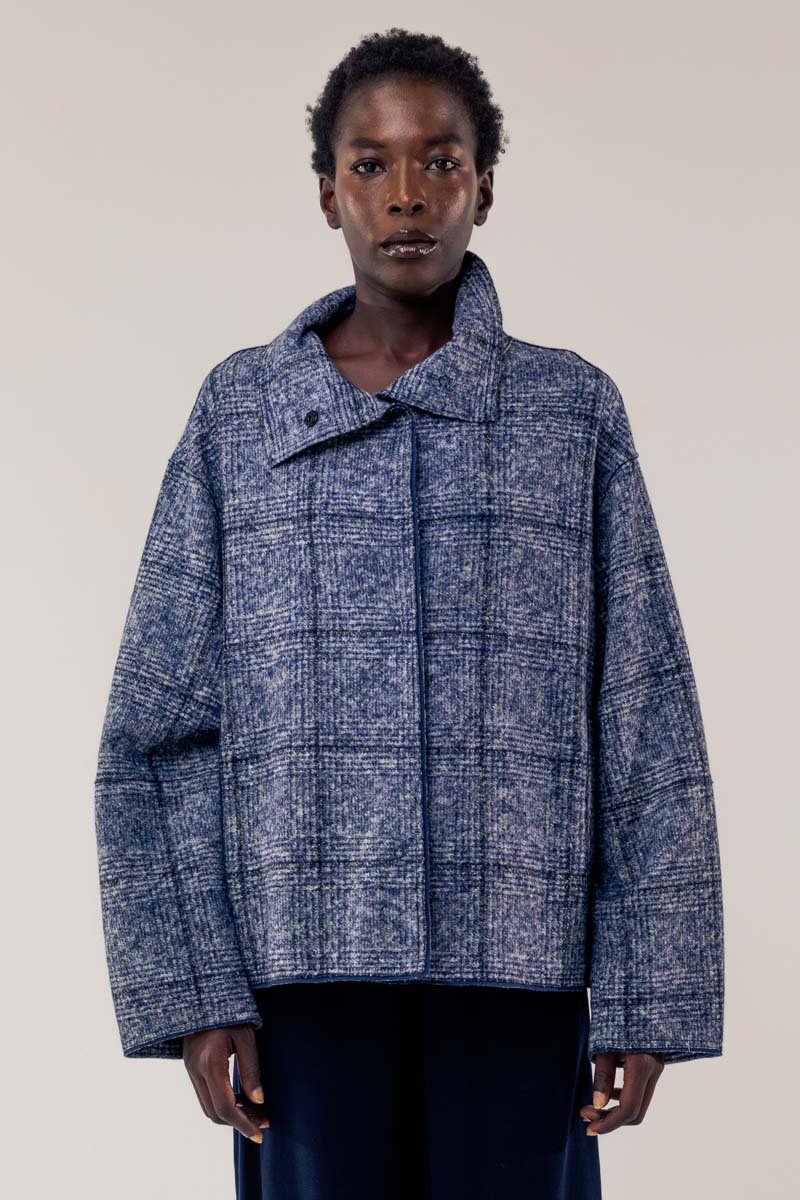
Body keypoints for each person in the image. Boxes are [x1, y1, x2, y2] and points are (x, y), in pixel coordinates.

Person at [94, 27, 724, 1200]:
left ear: (484, 184)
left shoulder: (568, 414)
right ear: (325, 189)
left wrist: (648, 994)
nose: (405, 195)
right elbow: (158, 732)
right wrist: (195, 995)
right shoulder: (240, 416)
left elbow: (642, 717)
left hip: (522, 975)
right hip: (298, 984)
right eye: (370, 162)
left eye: (439, 160)